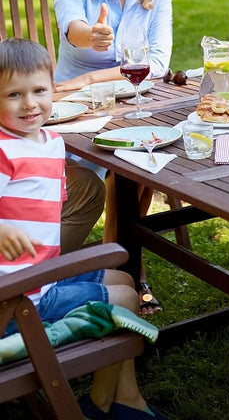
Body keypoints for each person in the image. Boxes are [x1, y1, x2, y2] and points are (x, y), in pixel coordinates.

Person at [0, 38, 169, 420]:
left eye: (39, 90)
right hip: (16, 303)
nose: (30, 103)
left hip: (39, 281)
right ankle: (100, 403)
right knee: (126, 302)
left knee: (123, 281)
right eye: (14, 94)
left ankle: (121, 397)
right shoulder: (3, 150)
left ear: (53, 88)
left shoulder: (50, 143)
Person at [53, 0, 173, 314]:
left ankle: (121, 264)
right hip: (72, 113)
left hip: (130, 105)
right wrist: (94, 38)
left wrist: (89, 76)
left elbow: (157, 64)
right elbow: (75, 30)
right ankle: (119, 271)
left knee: (145, 161)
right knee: (115, 169)